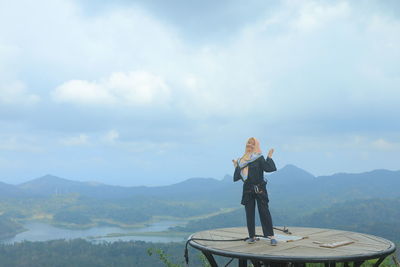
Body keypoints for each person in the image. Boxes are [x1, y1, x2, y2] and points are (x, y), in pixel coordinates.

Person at [232, 137, 278, 245]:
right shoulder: (241, 160)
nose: (250, 145)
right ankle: (251, 236)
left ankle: (271, 236)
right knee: (249, 213)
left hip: (260, 189)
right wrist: (236, 166)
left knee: (264, 211)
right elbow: (237, 177)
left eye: (252, 144)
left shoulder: (259, 158)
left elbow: (268, 168)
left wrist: (269, 157)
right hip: (248, 189)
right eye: (249, 143)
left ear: (256, 145)